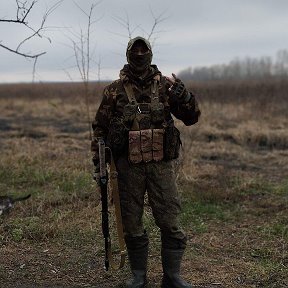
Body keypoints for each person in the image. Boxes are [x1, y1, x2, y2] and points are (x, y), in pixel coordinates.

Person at [91, 36, 201, 288]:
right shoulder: (113, 90)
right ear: (128, 54)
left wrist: (185, 97)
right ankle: (139, 276)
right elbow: (99, 130)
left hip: (161, 165)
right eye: (135, 50)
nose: (139, 54)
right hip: (127, 167)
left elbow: (192, 118)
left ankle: (172, 276)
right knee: (131, 222)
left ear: (150, 53)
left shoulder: (166, 87)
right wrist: (99, 166)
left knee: (170, 220)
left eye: (144, 49)